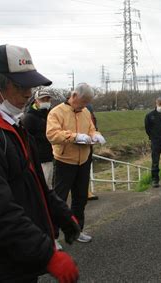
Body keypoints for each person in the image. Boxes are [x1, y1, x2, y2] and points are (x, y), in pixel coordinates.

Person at [0, 44, 80, 282]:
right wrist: (47, 255)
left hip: (17, 256)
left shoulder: (9, 122)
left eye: (31, 85)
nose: (28, 93)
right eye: (21, 85)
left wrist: (61, 213)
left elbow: (33, 180)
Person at [47, 83, 106, 244]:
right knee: (59, 198)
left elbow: (91, 129)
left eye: (87, 102)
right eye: (83, 101)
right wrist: (74, 137)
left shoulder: (86, 111)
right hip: (64, 160)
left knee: (80, 198)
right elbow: (52, 134)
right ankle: (53, 236)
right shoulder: (56, 112)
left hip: (84, 160)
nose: (85, 105)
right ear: (74, 96)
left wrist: (95, 135)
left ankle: (77, 230)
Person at [22, 89, 54, 189]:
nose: (46, 102)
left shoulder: (51, 114)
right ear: (36, 101)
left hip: (50, 156)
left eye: (48, 99)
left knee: (49, 184)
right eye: (43, 99)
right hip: (38, 158)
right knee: (41, 186)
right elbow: (26, 139)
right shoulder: (29, 117)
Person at [86, 103, 99, 201]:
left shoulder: (92, 117)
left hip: (89, 146)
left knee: (86, 170)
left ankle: (87, 191)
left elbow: (95, 128)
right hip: (81, 145)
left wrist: (96, 136)